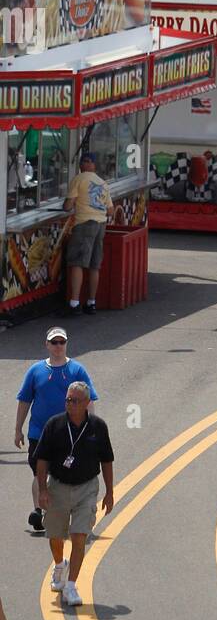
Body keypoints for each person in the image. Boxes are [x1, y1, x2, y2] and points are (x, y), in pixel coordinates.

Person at [36, 382, 115, 609]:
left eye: (75, 400)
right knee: (55, 535)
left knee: (79, 535)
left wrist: (109, 492)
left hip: (86, 487)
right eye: (68, 399)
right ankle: (60, 564)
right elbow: (42, 459)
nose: (70, 404)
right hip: (58, 486)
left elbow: (107, 460)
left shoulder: (98, 427)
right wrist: (42, 489)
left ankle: (71, 585)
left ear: (87, 403)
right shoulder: (55, 425)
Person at [15, 328, 98, 534]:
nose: (58, 346)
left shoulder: (77, 370)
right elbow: (25, 400)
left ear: (66, 344)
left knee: (63, 474)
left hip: (69, 434)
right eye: (54, 342)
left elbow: (88, 401)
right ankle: (39, 512)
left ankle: (66, 510)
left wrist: (90, 429)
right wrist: (18, 429)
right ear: (47, 345)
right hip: (39, 433)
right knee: (39, 473)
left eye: (62, 342)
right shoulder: (35, 371)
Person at [63, 151, 114, 314]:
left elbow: (68, 206)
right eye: (83, 161)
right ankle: (91, 303)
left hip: (84, 223)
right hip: (101, 225)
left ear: (90, 165)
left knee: (77, 262)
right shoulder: (103, 183)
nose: (83, 164)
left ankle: (74, 304)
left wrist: (71, 203)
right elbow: (111, 210)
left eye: (85, 161)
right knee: (94, 265)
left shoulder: (79, 179)